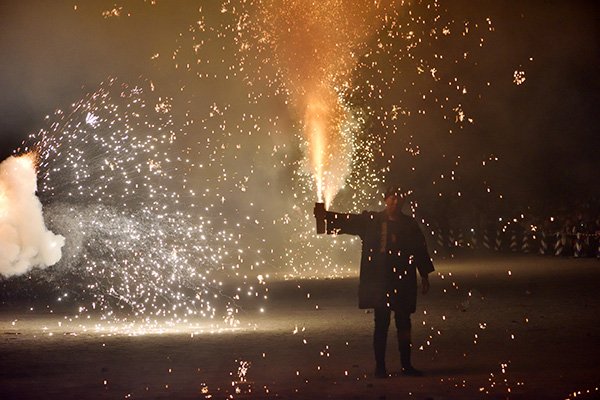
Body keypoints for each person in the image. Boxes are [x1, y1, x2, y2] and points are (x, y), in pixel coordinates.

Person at [314, 186, 434, 378]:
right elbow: (348, 221)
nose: (395, 201)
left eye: (398, 198)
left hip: (403, 280)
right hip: (381, 281)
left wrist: (425, 275)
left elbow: (419, 249)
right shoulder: (372, 221)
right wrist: (325, 216)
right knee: (381, 323)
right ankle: (380, 368)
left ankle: (406, 365)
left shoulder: (410, 224)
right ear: (385, 199)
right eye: (392, 198)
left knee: (404, 324)